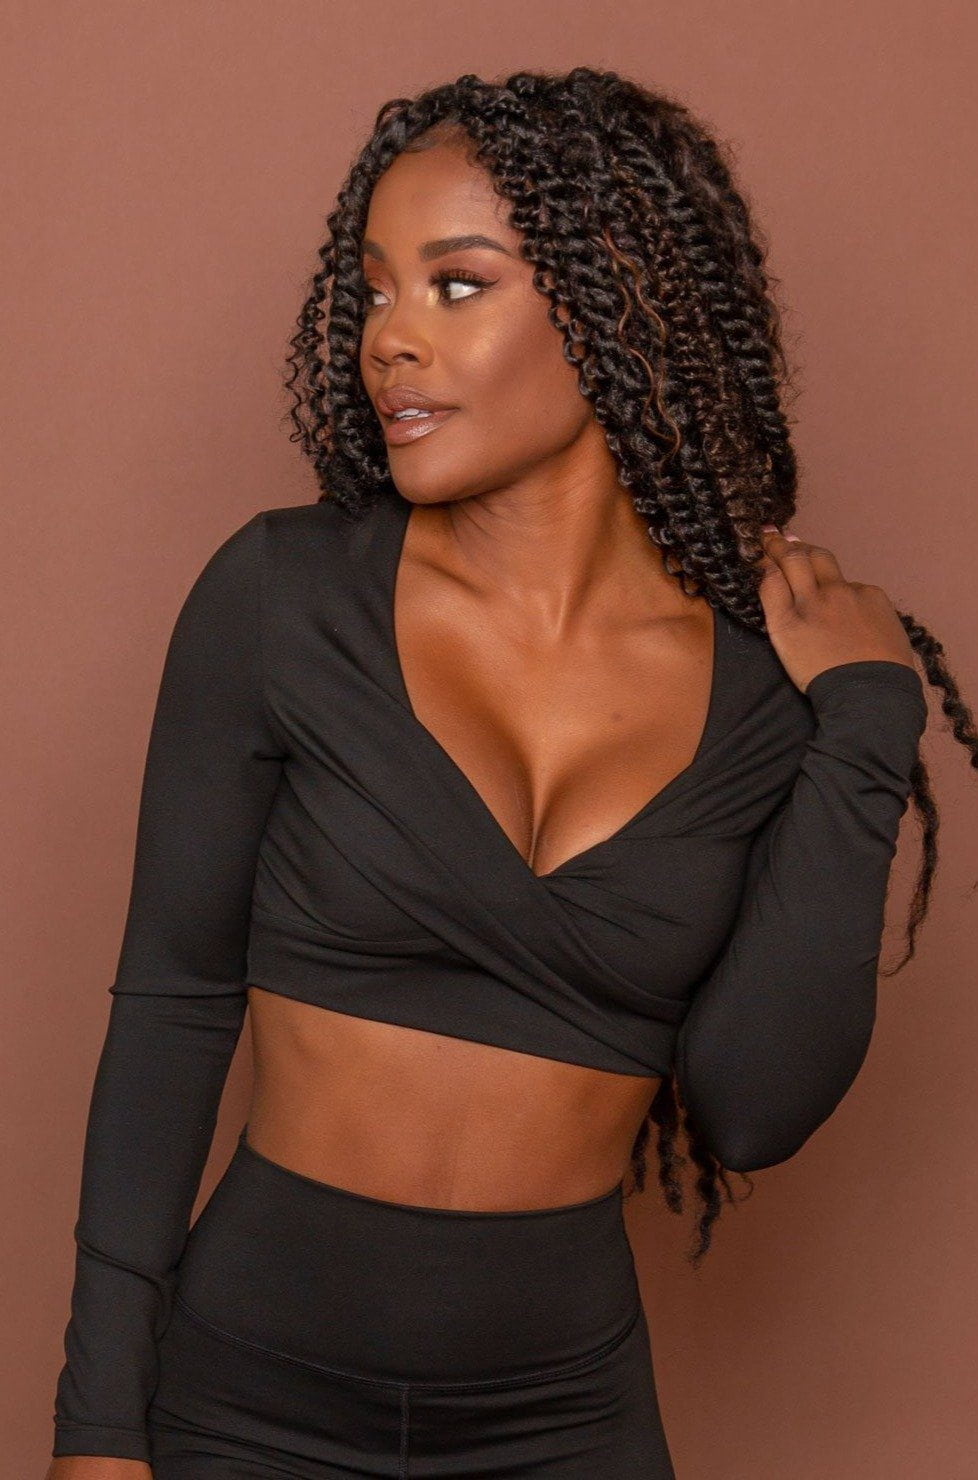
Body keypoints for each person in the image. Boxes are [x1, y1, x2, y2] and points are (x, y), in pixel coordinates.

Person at [47, 67, 970, 1479]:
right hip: (245, 1407)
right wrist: (99, 1432)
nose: (389, 338)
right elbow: (172, 1009)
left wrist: (862, 727)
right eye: (374, 291)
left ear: (616, 306)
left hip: (564, 1424)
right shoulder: (285, 601)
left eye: (457, 285)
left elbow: (752, 1106)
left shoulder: (761, 689)